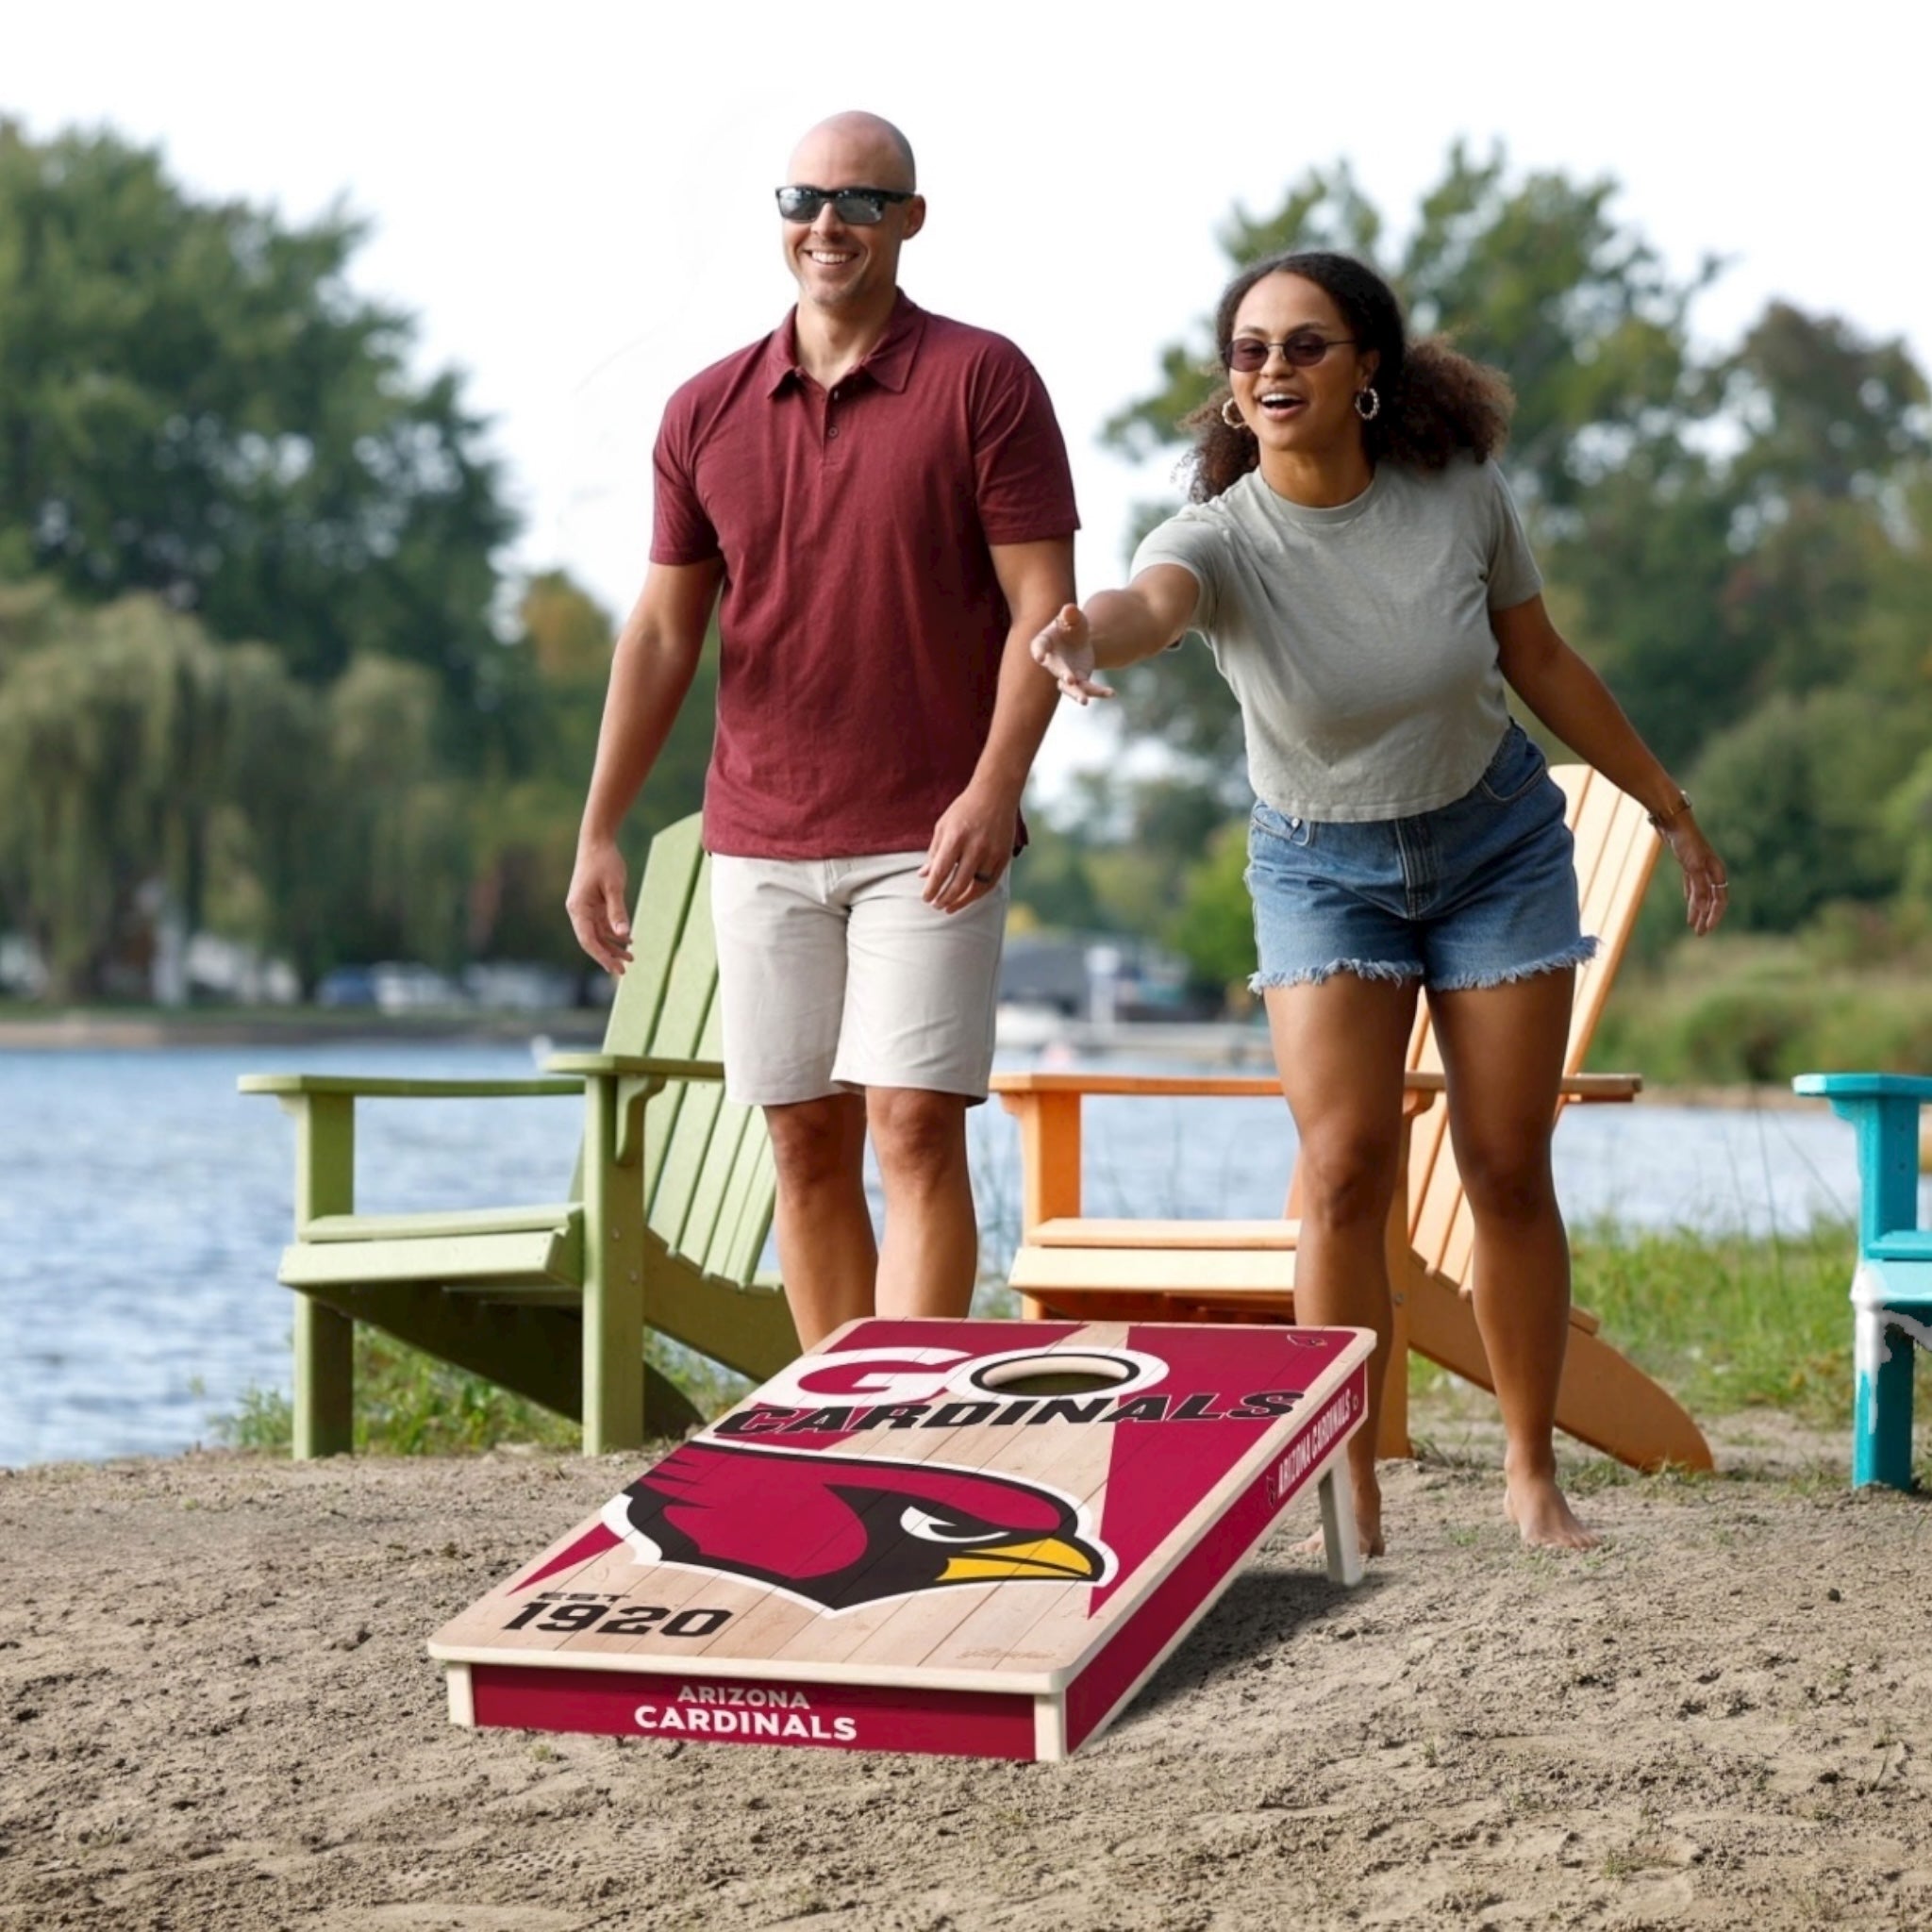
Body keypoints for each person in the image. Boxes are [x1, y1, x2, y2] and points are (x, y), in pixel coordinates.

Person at [1032, 251, 1726, 1554]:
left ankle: (1530, 1473)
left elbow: (1540, 659)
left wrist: (1664, 803)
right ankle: (1346, 1482)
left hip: (1494, 847)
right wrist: (1082, 636)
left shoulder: (1458, 495)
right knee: (1346, 1167)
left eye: (1305, 344)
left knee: (1505, 1166)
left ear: (1366, 369)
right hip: (1319, 869)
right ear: (1230, 388)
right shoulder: (1216, 537)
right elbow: (1149, 606)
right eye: (1250, 350)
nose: (1274, 368)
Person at [566, 111, 1077, 1352]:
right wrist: (598, 831)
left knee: (913, 1125)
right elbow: (661, 635)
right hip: (760, 834)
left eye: (861, 201)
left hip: (931, 833)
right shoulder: (705, 409)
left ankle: (912, 1416)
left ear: (912, 219)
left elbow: (1044, 613)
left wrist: (994, 789)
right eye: (805, 199)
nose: (829, 223)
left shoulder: (983, 381)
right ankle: (839, 1419)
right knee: (802, 1139)